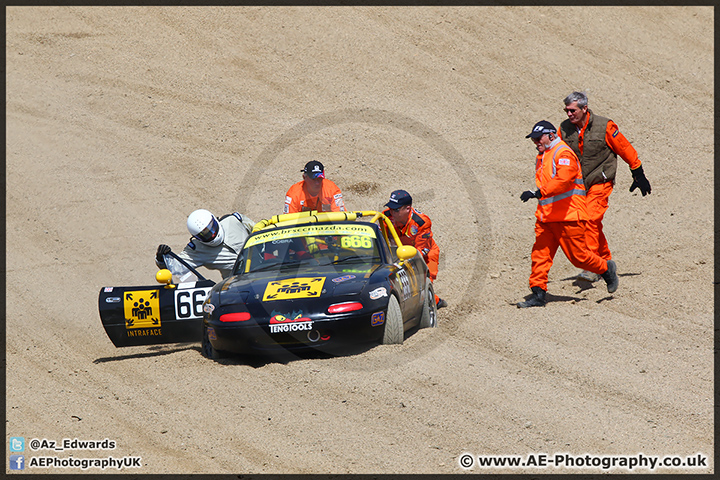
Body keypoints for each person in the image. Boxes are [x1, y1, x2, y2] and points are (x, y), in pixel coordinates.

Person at [518, 120, 619, 308]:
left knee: (578, 257)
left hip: (568, 217)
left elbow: (563, 179)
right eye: (533, 139)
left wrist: (538, 193)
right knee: (540, 255)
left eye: (538, 138)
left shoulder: (562, 153)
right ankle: (538, 293)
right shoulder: (543, 155)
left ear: (551, 135)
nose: (535, 142)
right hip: (547, 217)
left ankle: (606, 268)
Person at [560, 91, 651, 282]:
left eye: (572, 110)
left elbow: (624, 147)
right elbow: (557, 152)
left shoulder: (604, 126)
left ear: (585, 109)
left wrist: (638, 172)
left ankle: (592, 267)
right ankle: (606, 262)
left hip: (600, 181)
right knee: (591, 224)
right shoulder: (564, 129)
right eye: (566, 110)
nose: (569, 114)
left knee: (590, 220)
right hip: (578, 185)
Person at [380, 189, 447, 309]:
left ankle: (436, 303)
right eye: (390, 208)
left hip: (425, 253)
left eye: (396, 209)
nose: (392, 212)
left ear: (408, 208)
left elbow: (422, 250)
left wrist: (406, 265)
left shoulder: (421, 222)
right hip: (399, 252)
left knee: (424, 280)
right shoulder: (385, 217)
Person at [155, 209, 255, 279]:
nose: (212, 234)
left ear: (214, 220)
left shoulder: (234, 220)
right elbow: (177, 268)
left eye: (211, 228)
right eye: (205, 234)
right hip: (237, 284)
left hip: (265, 268)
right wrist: (162, 259)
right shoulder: (197, 249)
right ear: (197, 237)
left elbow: (260, 230)